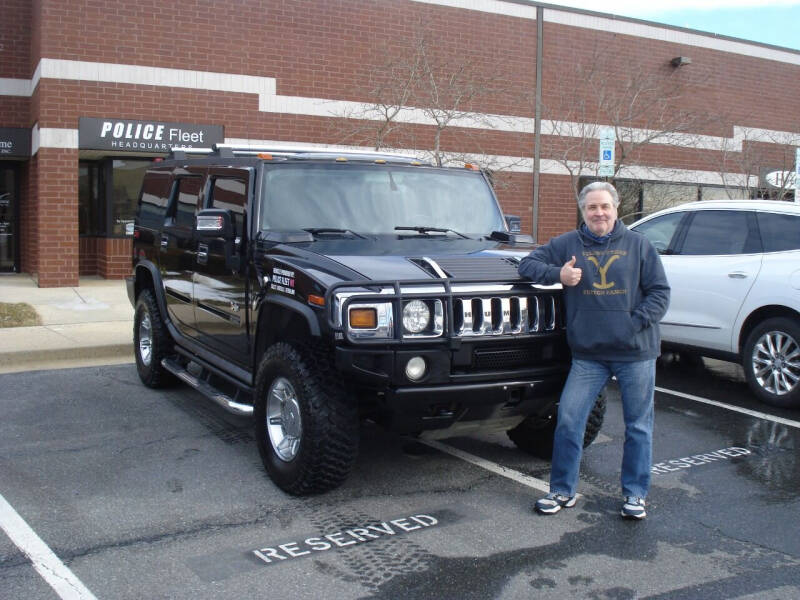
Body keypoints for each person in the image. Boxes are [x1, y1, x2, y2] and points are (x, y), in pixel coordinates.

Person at [518, 181, 670, 520]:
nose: (598, 213)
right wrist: (558, 273)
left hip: (635, 352)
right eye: (592, 208)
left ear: (616, 210)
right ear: (583, 211)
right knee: (569, 421)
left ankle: (634, 495)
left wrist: (634, 323)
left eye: (605, 207)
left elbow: (660, 294)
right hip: (588, 355)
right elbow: (527, 265)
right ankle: (561, 490)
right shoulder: (567, 244)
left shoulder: (639, 246)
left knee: (638, 426)